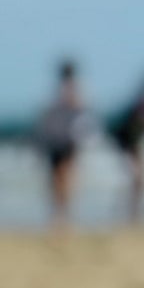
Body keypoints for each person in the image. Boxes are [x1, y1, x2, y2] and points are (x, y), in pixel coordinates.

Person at [35, 61, 89, 224]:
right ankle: (61, 213)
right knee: (60, 178)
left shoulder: (72, 89)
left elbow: (79, 111)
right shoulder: (69, 89)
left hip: (65, 139)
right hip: (61, 139)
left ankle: (63, 213)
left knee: (63, 177)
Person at [109, 74, 144, 221]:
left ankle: (135, 211)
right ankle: (134, 212)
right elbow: (143, 124)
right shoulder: (142, 104)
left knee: (139, 178)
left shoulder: (140, 103)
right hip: (131, 145)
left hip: (131, 145)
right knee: (139, 178)